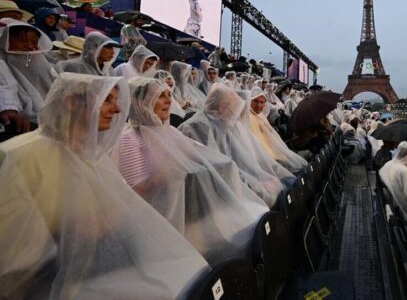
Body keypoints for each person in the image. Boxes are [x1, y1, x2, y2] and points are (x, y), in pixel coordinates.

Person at [0, 73, 210, 299]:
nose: (117, 110)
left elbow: (121, 215)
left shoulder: (92, 155)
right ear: (71, 102)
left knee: (193, 271)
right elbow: (19, 261)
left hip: (101, 267)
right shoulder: (19, 155)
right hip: (58, 283)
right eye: (106, 100)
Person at [113, 77, 268, 264]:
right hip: (165, 221)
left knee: (255, 220)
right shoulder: (130, 139)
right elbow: (136, 195)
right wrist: (168, 175)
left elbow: (203, 159)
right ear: (141, 102)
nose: (169, 101)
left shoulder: (171, 132)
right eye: (160, 96)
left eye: (169, 95)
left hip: (191, 212)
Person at [178, 84, 291, 204]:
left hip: (230, 181)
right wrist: (257, 186)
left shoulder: (219, 124)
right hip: (211, 193)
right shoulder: (200, 126)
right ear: (222, 106)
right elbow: (219, 170)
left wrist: (260, 179)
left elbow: (237, 162)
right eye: (233, 108)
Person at [0, 20, 54, 125]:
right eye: (22, 40)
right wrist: (8, 108)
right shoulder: (1, 64)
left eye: (34, 42)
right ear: (5, 41)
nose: (29, 46)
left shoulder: (39, 61)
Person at [248, 87, 308, 174]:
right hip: (263, 159)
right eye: (256, 101)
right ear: (249, 101)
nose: (259, 105)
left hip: (273, 155)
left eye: (262, 102)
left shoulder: (261, 116)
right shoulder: (248, 117)